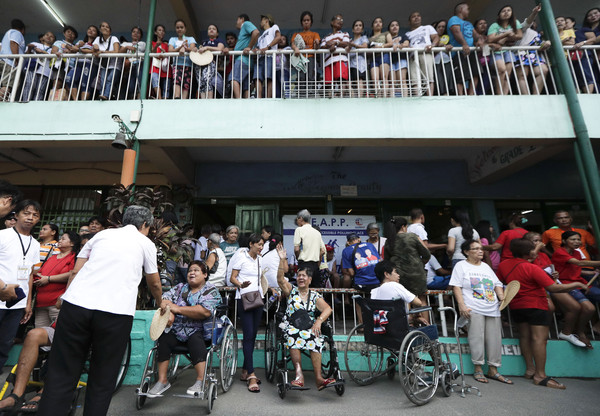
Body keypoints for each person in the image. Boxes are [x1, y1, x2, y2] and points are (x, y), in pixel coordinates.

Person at [37, 206, 164, 416]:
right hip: (115, 313)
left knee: (62, 371)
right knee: (103, 376)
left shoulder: (101, 235)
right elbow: (155, 283)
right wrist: (161, 302)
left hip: (76, 305)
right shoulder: (145, 243)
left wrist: (65, 296)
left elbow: (76, 270)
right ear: (145, 225)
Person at [497, 239, 588, 389]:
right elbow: (553, 288)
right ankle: (540, 375)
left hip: (516, 305)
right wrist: (578, 284)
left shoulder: (503, 265)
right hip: (536, 305)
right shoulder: (532, 268)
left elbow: (502, 281)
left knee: (525, 337)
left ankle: (529, 369)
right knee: (540, 339)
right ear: (529, 252)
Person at [147, 261, 221, 397]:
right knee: (164, 339)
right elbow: (164, 300)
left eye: (196, 270)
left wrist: (177, 309)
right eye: (190, 271)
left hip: (199, 330)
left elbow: (204, 311)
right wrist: (170, 312)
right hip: (177, 329)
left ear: (205, 274)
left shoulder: (211, 291)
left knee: (195, 340)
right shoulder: (180, 288)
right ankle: (162, 380)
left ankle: (201, 380)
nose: (191, 273)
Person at [276, 245, 335, 390]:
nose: (301, 278)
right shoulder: (291, 290)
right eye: (299, 276)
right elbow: (280, 279)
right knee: (292, 334)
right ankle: (299, 376)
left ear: (309, 279)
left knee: (316, 337)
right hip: (291, 325)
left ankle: (319, 378)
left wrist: (318, 322)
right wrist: (282, 259)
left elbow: (328, 309)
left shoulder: (315, 295)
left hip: (309, 326)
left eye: (304, 276)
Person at [450, 239, 508, 384]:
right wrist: (461, 305)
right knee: (476, 338)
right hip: (473, 307)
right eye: (475, 249)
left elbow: (497, 284)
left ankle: (493, 370)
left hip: (492, 307)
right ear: (466, 252)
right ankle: (478, 369)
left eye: (481, 248)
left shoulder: (486, 267)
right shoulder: (461, 266)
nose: (480, 251)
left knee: (494, 339)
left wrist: (501, 297)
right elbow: (456, 286)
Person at [524, 232, 587, 348]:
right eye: (535, 241)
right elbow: (525, 265)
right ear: (527, 243)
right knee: (549, 307)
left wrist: (555, 273)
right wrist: (537, 249)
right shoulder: (524, 254)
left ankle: (566, 333)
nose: (540, 243)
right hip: (537, 286)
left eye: (539, 240)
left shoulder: (543, 255)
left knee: (574, 307)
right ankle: (543, 334)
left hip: (551, 283)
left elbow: (550, 268)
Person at [0, 200, 41, 372]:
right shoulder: (3, 235)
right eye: (26, 213)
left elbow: (30, 274)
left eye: (35, 215)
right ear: (16, 215)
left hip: (17, 302)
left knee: (5, 343)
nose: (30, 218)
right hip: (0, 295)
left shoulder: (36, 244)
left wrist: (28, 303)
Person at [551, 230, 600, 348]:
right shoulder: (560, 252)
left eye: (578, 239)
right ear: (564, 241)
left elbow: (575, 268)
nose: (577, 242)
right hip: (566, 284)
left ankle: (592, 327)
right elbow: (578, 263)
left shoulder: (576, 252)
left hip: (580, 283)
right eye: (573, 239)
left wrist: (591, 271)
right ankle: (580, 331)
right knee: (589, 308)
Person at [229, 234, 264, 393]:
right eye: (259, 244)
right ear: (251, 244)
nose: (261, 247)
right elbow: (232, 278)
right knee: (248, 334)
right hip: (243, 299)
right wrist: (240, 284)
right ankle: (251, 374)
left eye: (263, 245)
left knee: (253, 335)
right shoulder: (241, 258)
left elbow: (261, 278)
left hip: (257, 299)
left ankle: (244, 371)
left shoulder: (260, 260)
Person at [0, 324, 56, 412]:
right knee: (33, 335)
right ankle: (17, 395)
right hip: (61, 325)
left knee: (66, 338)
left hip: (79, 332)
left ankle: (44, 392)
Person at [33, 231, 80, 328]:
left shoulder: (74, 257)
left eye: (63, 239)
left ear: (72, 243)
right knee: (39, 333)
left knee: (56, 333)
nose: (60, 240)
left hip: (57, 303)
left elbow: (72, 274)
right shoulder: (52, 257)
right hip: (41, 302)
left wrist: (49, 279)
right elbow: (41, 272)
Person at [384, 217, 431, 298]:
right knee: (421, 300)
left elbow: (387, 260)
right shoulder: (413, 237)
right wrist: (420, 263)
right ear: (403, 227)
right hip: (417, 275)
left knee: (405, 300)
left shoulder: (389, 241)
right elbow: (427, 254)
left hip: (399, 275)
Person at [371, 260, 426, 325]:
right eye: (396, 272)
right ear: (387, 274)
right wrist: (416, 316)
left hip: (381, 329)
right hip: (399, 328)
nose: (398, 275)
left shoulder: (373, 292)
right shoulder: (395, 286)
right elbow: (418, 302)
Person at [448, 2, 484, 95]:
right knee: (461, 75)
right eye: (467, 9)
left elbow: (475, 35)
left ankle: (471, 94)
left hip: (472, 51)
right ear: (461, 10)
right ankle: (461, 95)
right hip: (459, 52)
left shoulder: (468, 23)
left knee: (476, 72)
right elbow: (456, 31)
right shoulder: (454, 19)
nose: (468, 12)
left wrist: (479, 40)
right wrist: (464, 44)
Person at [487, 5, 523, 95]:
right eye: (503, 11)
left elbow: (519, 36)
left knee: (507, 74)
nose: (506, 12)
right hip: (497, 52)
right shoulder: (494, 25)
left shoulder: (515, 22)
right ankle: (499, 94)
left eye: (508, 10)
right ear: (499, 15)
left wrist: (505, 39)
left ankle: (505, 94)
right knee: (501, 70)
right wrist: (506, 34)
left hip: (508, 51)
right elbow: (490, 39)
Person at [405, 11, 439, 96]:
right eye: (413, 16)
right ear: (409, 22)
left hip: (425, 52)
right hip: (413, 56)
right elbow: (406, 44)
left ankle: (430, 97)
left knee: (429, 77)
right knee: (414, 78)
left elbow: (436, 37)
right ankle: (418, 96)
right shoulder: (407, 34)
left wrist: (433, 45)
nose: (416, 17)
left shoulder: (427, 27)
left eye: (418, 16)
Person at [293, 209, 326, 288]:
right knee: (315, 291)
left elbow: (296, 249)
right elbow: (323, 250)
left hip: (304, 264)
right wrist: (317, 263)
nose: (297, 221)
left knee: (303, 289)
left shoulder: (299, 230)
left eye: (297, 219)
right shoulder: (317, 232)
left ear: (301, 218)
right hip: (315, 266)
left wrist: (298, 258)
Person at [320, 14, 352, 94]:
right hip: (328, 62)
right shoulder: (326, 37)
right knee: (329, 83)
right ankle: (330, 100)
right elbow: (322, 47)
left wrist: (336, 43)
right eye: (338, 19)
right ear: (332, 22)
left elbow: (346, 43)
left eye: (342, 20)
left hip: (340, 59)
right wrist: (330, 47)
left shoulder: (344, 33)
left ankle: (341, 97)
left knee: (341, 80)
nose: (340, 21)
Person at [66, 25, 99, 101]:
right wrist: (76, 47)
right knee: (69, 79)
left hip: (90, 64)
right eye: (89, 29)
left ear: (97, 34)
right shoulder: (81, 42)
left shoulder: (97, 43)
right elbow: (73, 49)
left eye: (93, 30)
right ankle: (75, 100)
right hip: (78, 63)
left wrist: (80, 50)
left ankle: (83, 102)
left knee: (85, 83)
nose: (91, 31)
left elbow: (94, 51)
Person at [230, 14, 259, 98]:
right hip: (247, 61)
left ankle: (239, 101)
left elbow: (256, 32)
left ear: (241, 19)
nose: (236, 23)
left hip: (242, 60)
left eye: (237, 20)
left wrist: (249, 47)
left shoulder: (246, 24)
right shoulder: (244, 30)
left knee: (233, 79)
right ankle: (245, 102)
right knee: (246, 86)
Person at [290, 11, 321, 89]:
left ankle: (309, 94)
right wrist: (295, 48)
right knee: (301, 77)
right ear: (301, 22)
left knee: (310, 76)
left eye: (308, 20)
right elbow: (293, 44)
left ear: (311, 22)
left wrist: (317, 43)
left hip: (310, 58)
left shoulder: (315, 34)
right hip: (300, 58)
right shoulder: (296, 35)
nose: (306, 22)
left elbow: (316, 47)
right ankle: (301, 95)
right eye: (304, 20)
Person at [21, 31, 54, 102]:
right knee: (30, 84)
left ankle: (36, 105)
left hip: (45, 72)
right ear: (43, 37)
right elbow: (26, 55)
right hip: (32, 68)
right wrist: (30, 48)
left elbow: (53, 57)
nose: (48, 37)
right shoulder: (35, 44)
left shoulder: (53, 49)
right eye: (47, 35)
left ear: (53, 40)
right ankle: (25, 102)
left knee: (40, 89)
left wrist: (42, 52)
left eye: (51, 36)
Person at [168, 19, 197, 100]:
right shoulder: (172, 39)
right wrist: (180, 48)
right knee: (176, 81)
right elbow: (170, 50)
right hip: (177, 64)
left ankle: (183, 100)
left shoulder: (190, 38)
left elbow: (192, 48)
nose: (179, 29)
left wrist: (185, 48)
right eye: (177, 27)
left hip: (188, 65)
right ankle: (177, 97)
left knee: (186, 83)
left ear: (185, 29)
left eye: (181, 27)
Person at [573, 8, 600, 94]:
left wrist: (588, 41)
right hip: (591, 56)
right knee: (593, 77)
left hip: (597, 54)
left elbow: (594, 40)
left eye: (595, 13)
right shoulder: (585, 29)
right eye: (590, 15)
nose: (593, 16)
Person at [93, 22, 121, 100]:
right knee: (103, 80)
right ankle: (102, 95)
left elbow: (116, 51)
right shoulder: (98, 39)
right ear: (100, 29)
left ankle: (106, 95)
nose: (105, 28)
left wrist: (103, 52)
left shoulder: (114, 38)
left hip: (114, 64)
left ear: (110, 31)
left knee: (109, 79)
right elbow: (94, 49)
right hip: (104, 64)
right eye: (103, 26)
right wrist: (95, 48)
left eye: (107, 27)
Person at [254, 14, 281, 98]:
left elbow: (278, 37)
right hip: (260, 58)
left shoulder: (274, 28)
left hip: (269, 56)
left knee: (269, 77)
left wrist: (268, 47)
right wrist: (256, 49)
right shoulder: (260, 37)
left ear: (266, 20)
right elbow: (260, 47)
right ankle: (259, 98)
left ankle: (269, 98)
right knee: (257, 78)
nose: (260, 23)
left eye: (261, 20)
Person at [197, 24, 225, 99]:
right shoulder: (204, 42)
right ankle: (203, 99)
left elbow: (220, 49)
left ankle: (209, 99)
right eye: (209, 29)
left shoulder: (219, 40)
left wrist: (207, 48)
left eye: (214, 29)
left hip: (211, 64)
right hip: (202, 63)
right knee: (201, 81)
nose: (211, 30)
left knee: (208, 80)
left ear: (217, 33)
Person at [0, 19, 26, 100]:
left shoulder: (8, 33)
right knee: (7, 86)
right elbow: (13, 43)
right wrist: (17, 59)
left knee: (7, 84)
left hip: (4, 61)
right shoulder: (17, 33)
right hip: (10, 63)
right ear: (23, 30)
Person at [368, 17, 393, 96]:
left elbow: (390, 43)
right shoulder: (369, 39)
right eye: (375, 22)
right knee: (375, 78)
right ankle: (378, 96)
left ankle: (384, 96)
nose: (378, 23)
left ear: (382, 25)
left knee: (384, 77)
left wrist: (380, 47)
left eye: (380, 22)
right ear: (372, 26)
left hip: (384, 55)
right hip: (373, 58)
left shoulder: (386, 33)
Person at [120, 26, 146, 99]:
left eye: (138, 32)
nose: (135, 34)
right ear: (131, 34)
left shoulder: (142, 43)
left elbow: (143, 52)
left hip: (139, 63)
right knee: (131, 85)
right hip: (129, 66)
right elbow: (120, 53)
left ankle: (139, 98)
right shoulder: (125, 44)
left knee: (140, 83)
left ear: (141, 35)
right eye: (134, 32)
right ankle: (132, 98)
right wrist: (126, 48)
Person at [348, 20, 369, 97]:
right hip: (351, 64)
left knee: (359, 80)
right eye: (356, 25)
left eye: (360, 25)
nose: (358, 27)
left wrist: (355, 46)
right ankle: (354, 98)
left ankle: (360, 98)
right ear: (353, 29)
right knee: (351, 82)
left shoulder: (363, 38)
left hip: (360, 63)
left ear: (362, 29)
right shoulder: (350, 41)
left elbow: (365, 46)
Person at [150, 24, 171, 99]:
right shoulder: (152, 43)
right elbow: (152, 53)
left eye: (163, 31)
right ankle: (159, 99)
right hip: (155, 65)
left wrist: (164, 53)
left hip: (164, 66)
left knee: (166, 83)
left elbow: (169, 56)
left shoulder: (166, 45)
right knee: (155, 80)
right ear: (155, 32)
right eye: (159, 30)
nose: (161, 32)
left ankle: (165, 98)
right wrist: (156, 46)